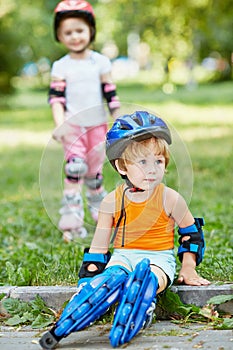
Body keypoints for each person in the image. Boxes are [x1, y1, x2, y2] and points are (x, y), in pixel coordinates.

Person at [39, 111, 210, 349]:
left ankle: (142, 298)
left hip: (158, 259)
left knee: (151, 276)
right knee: (111, 277)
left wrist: (188, 267)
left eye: (158, 161)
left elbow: (191, 235)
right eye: (142, 162)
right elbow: (99, 246)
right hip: (122, 257)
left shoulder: (170, 198)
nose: (152, 170)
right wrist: (89, 278)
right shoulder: (112, 201)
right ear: (121, 166)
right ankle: (95, 300)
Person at [49, 0, 120, 241]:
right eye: (68, 32)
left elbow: (109, 90)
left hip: (97, 125)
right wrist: (59, 124)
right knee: (74, 169)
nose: (75, 36)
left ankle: (102, 216)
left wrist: (117, 115)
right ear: (59, 35)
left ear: (91, 31)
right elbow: (56, 98)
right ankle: (71, 221)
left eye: (79, 30)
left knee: (94, 173)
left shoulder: (100, 62)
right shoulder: (61, 65)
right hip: (73, 126)